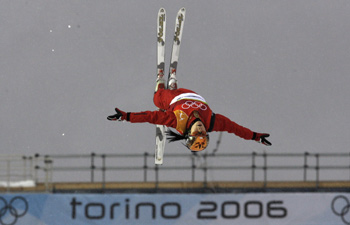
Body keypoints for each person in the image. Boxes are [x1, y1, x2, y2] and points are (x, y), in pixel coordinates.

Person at [107, 73, 271, 152]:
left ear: (188, 133)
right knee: (164, 105)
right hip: (193, 94)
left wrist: (126, 116)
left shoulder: (178, 122)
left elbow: (150, 117)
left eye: (197, 132)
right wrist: (255, 136)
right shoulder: (213, 122)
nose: (201, 128)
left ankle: (163, 86)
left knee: (157, 101)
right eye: (203, 132)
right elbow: (235, 128)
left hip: (174, 98)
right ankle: (173, 85)